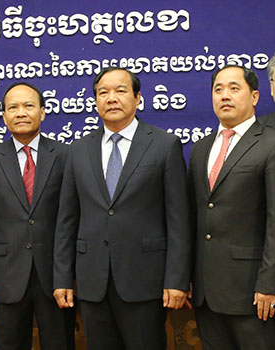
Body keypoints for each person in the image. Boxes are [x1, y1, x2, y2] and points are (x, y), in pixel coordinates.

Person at [53, 67, 191, 350]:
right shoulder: (78, 150)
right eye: (103, 92)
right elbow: (67, 219)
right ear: (95, 101)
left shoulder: (164, 145)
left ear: (138, 98)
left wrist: (177, 279)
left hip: (145, 282)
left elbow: (178, 220)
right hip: (93, 282)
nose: (111, 98)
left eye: (120, 91)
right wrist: (63, 277)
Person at [189, 65, 275, 349]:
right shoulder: (201, 149)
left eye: (234, 88)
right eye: (218, 89)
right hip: (206, 294)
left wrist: (270, 285)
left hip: (253, 293)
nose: (225, 95)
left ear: (254, 97)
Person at [0, 82, 75, 350]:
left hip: (55, 277)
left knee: (60, 343)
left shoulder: (66, 156)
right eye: (13, 107)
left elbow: (73, 218)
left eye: (29, 106)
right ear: (3, 116)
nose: (21, 113)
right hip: (6, 277)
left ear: (42, 112)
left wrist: (70, 275)